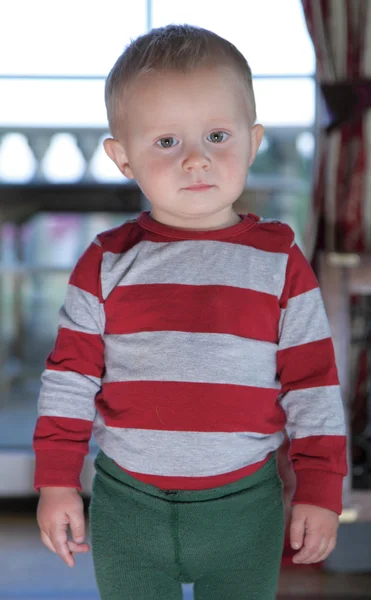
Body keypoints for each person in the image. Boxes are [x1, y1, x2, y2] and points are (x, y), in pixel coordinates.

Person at [33, 24, 348, 600]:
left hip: (245, 510)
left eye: (218, 135)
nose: (198, 160)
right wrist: (56, 483)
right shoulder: (105, 262)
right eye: (167, 142)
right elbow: (68, 381)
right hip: (127, 507)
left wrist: (321, 488)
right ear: (123, 157)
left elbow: (313, 386)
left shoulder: (280, 261)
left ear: (253, 143)